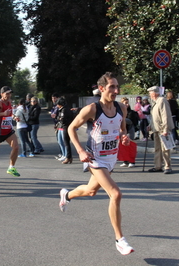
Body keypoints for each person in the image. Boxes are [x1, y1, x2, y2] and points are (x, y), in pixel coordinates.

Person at [59, 72, 134, 255]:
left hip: (111, 159)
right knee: (115, 194)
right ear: (102, 88)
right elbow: (71, 128)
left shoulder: (121, 108)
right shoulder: (92, 109)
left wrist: (124, 137)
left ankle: (66, 195)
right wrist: (80, 151)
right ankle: (120, 240)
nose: (116, 90)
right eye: (112, 87)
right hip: (94, 158)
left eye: (117, 87)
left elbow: (122, 128)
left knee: (91, 191)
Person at [147, 86, 174, 174]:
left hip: (163, 129)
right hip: (156, 128)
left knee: (165, 148)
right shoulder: (155, 102)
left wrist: (166, 129)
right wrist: (150, 125)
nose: (149, 95)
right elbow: (154, 116)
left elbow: (165, 115)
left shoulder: (162, 100)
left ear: (155, 93)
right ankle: (157, 166)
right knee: (157, 148)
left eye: (150, 93)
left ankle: (167, 166)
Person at [119, 97, 138, 167]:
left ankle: (132, 161)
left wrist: (121, 119)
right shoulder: (119, 112)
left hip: (130, 130)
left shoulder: (131, 112)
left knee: (130, 146)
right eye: (125, 103)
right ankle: (125, 161)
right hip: (122, 130)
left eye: (127, 103)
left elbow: (130, 121)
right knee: (123, 147)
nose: (127, 104)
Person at [56, 97, 73, 164]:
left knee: (66, 143)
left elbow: (62, 119)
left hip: (65, 127)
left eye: (58, 104)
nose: (57, 106)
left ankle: (68, 157)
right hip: (65, 126)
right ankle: (68, 157)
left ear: (61, 104)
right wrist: (58, 118)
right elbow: (59, 117)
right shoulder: (64, 109)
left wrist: (58, 118)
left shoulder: (64, 110)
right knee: (65, 143)